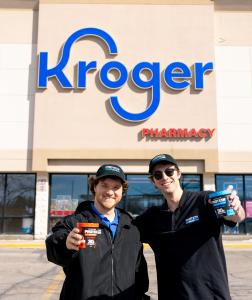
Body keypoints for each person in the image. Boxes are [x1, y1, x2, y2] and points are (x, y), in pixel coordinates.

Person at [134, 154, 245, 300]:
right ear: (153, 181)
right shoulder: (152, 218)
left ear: (178, 173)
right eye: (158, 174)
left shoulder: (204, 201)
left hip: (211, 295)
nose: (165, 177)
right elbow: (123, 234)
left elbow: (236, 217)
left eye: (169, 171)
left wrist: (236, 208)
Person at [46, 164, 149, 300]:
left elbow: (139, 271)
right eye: (104, 185)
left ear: (122, 191)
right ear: (95, 187)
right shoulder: (74, 222)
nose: (110, 192)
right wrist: (66, 243)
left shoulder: (131, 227)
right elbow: (53, 247)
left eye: (116, 187)